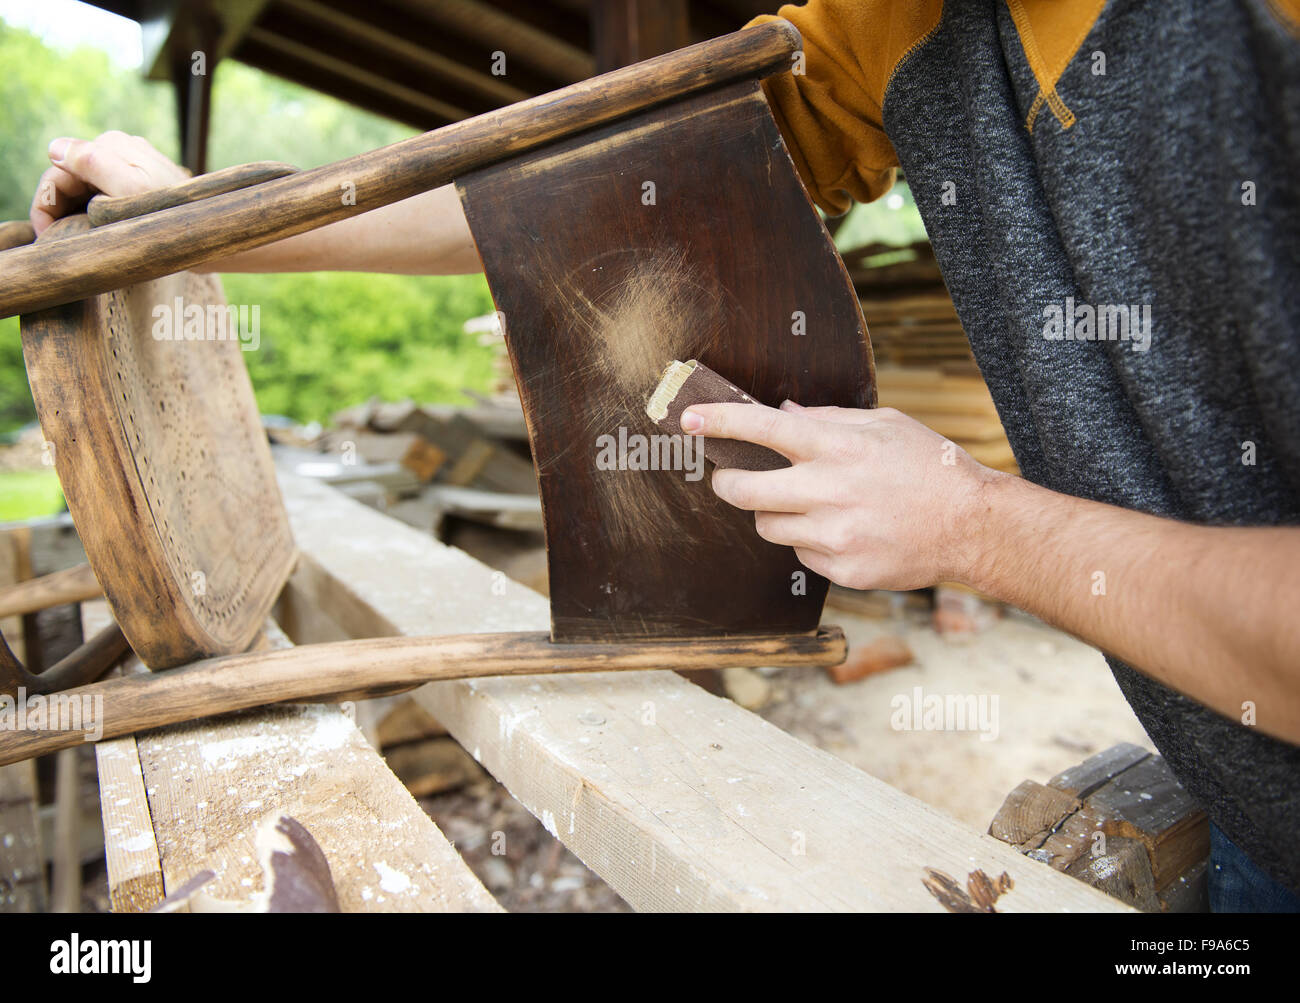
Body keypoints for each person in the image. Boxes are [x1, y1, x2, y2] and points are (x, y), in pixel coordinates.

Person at [31, 1, 1298, 911]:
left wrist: (979, 526)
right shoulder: (898, 23)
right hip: (1253, 816)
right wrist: (197, 218)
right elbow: (574, 180)